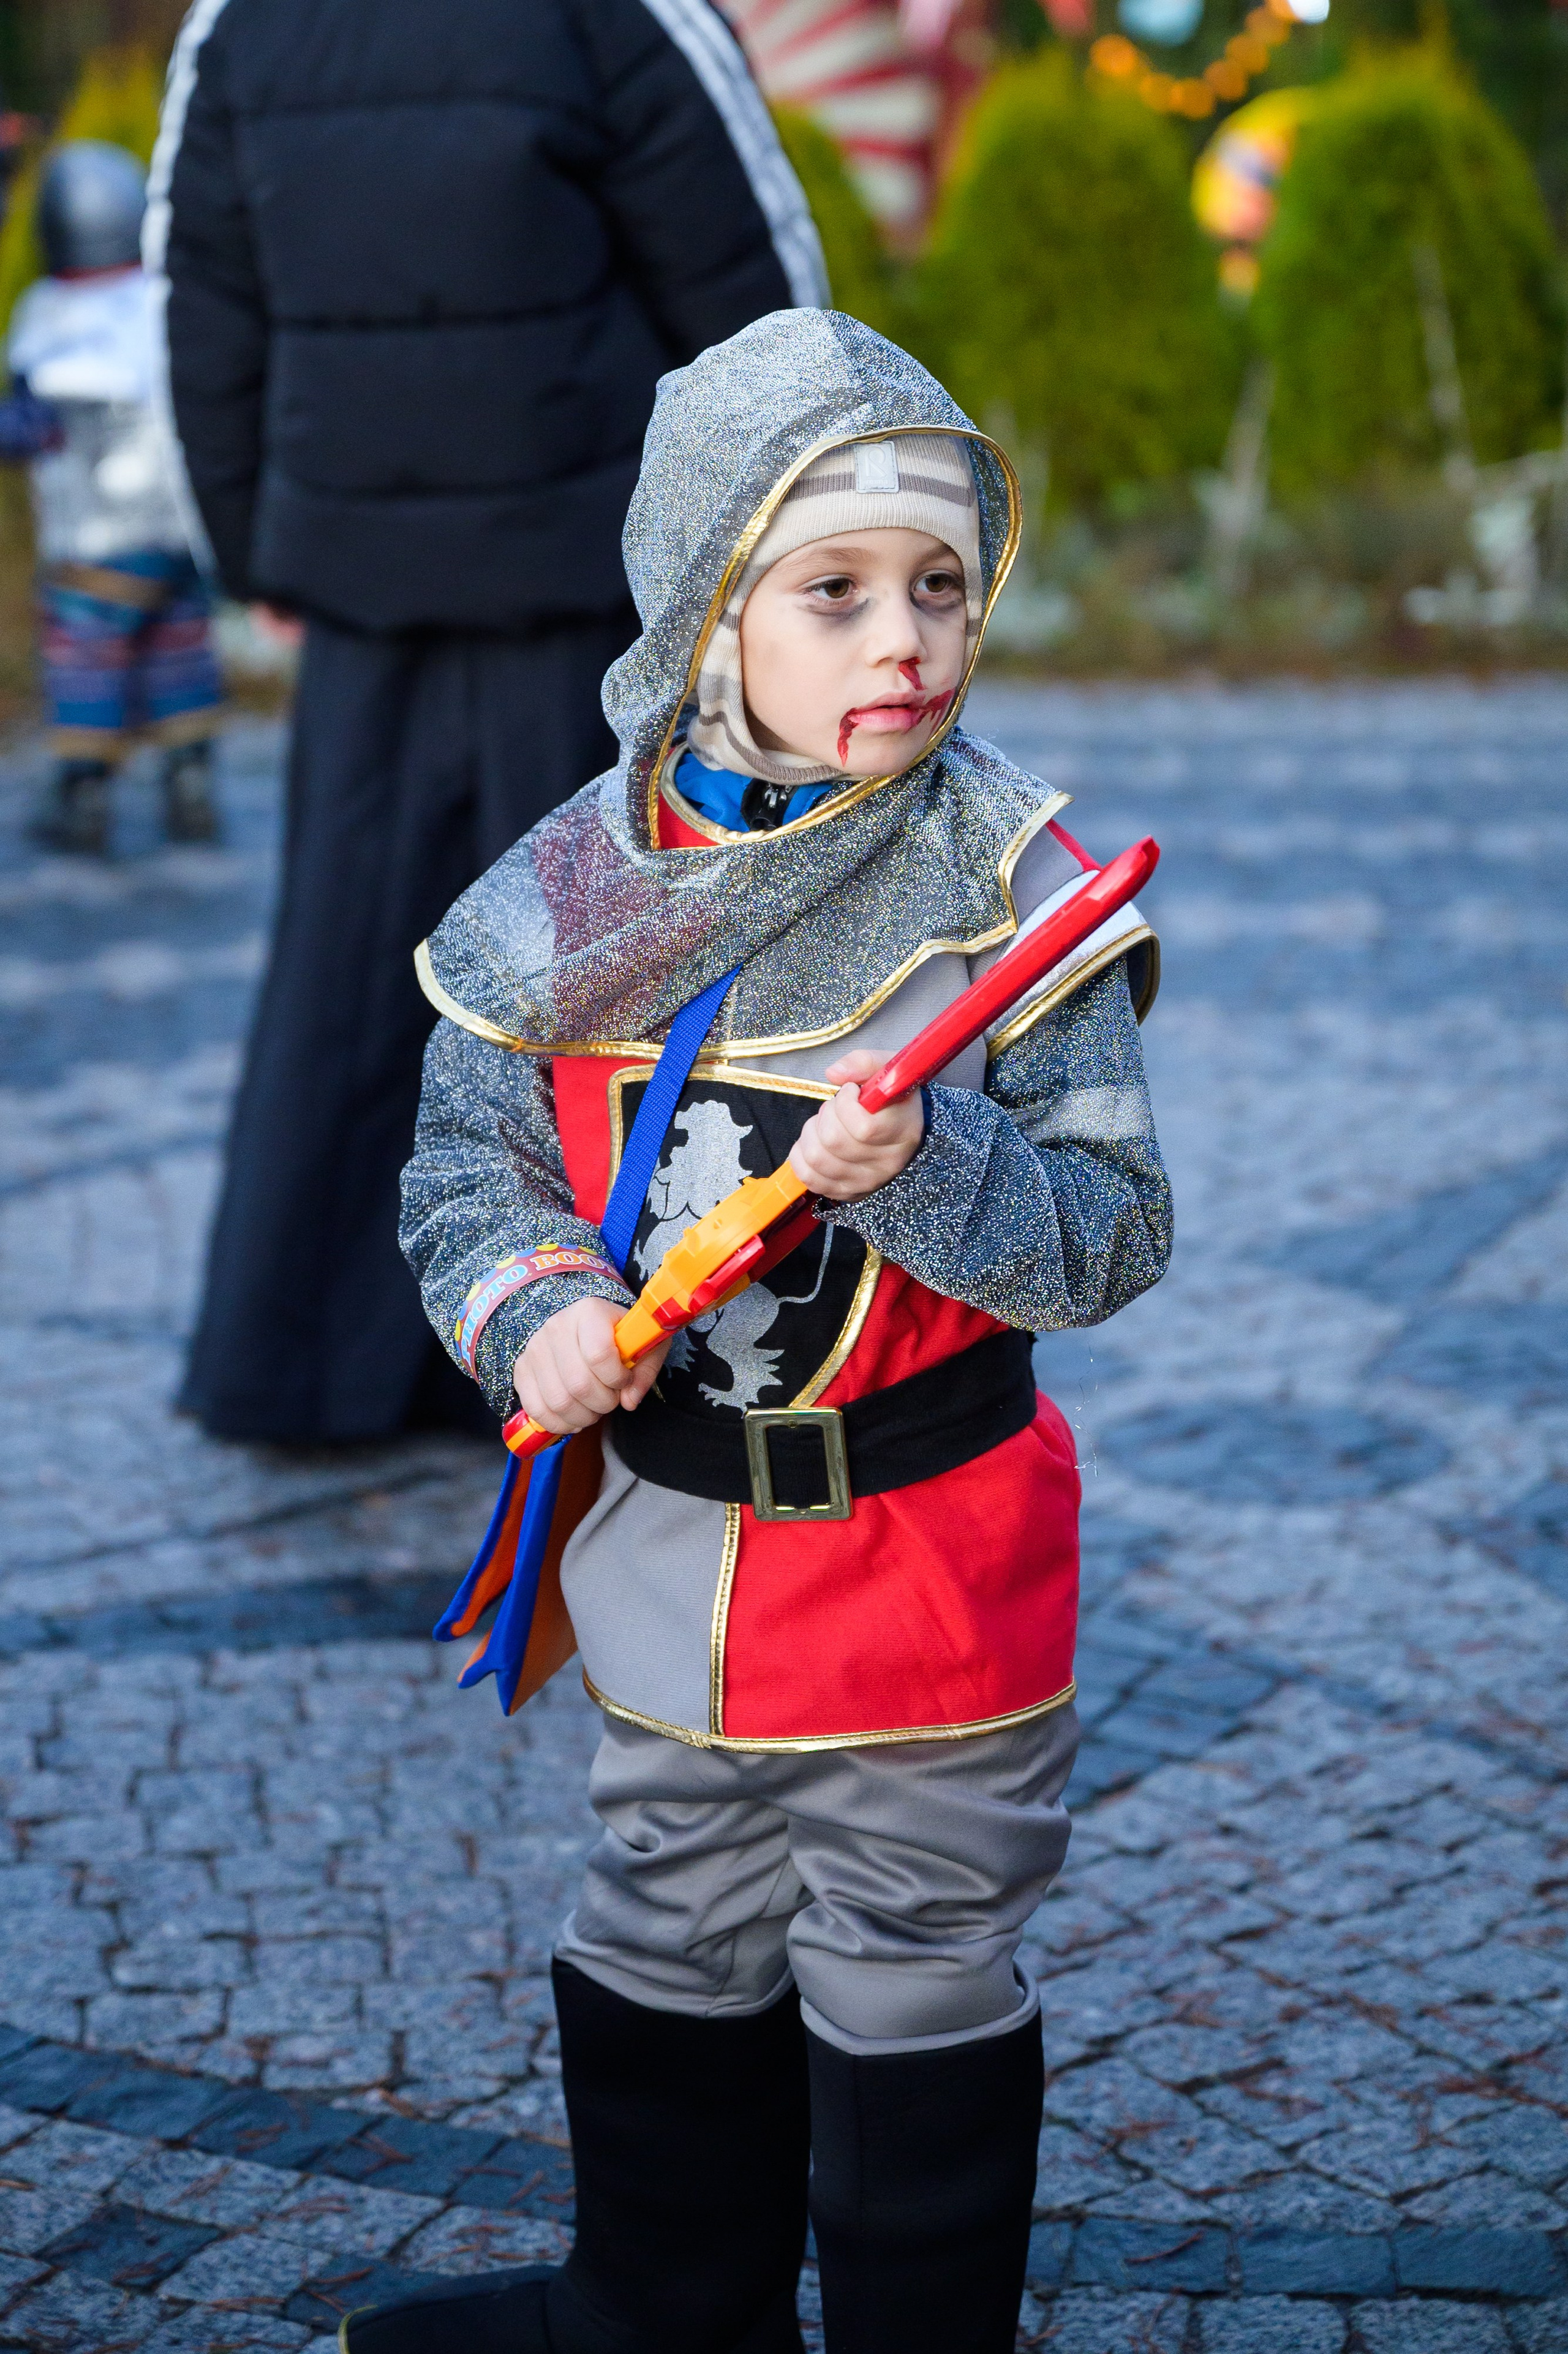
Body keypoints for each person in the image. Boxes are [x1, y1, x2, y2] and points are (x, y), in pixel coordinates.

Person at [376, 308, 1172, 2354]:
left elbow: (1107, 1238)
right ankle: (660, 2311)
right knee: (664, 1917)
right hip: (667, 1553)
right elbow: (474, 1176)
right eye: (833, 592)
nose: (902, 637)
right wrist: (534, 1309)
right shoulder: (569, 887)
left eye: (938, 583)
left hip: (929, 1572)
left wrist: (920, 1172)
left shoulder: (1013, 886)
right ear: (710, 604)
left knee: (912, 1961)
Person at [148, 0, 826, 1443]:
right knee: (598, 984)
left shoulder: (242, 24)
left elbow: (198, 296)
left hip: (364, 591)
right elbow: (751, 285)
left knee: (348, 981)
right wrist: (790, 545)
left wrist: (251, 549)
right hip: (582, 581)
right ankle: (625, 1345)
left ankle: (302, 1363)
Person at [0, 140, 222, 855]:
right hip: (180, 534)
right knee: (178, 658)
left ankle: (84, 799)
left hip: (95, 546)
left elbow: (33, 423)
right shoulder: (161, 298)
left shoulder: (51, 313)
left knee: (87, 666)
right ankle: (190, 788)